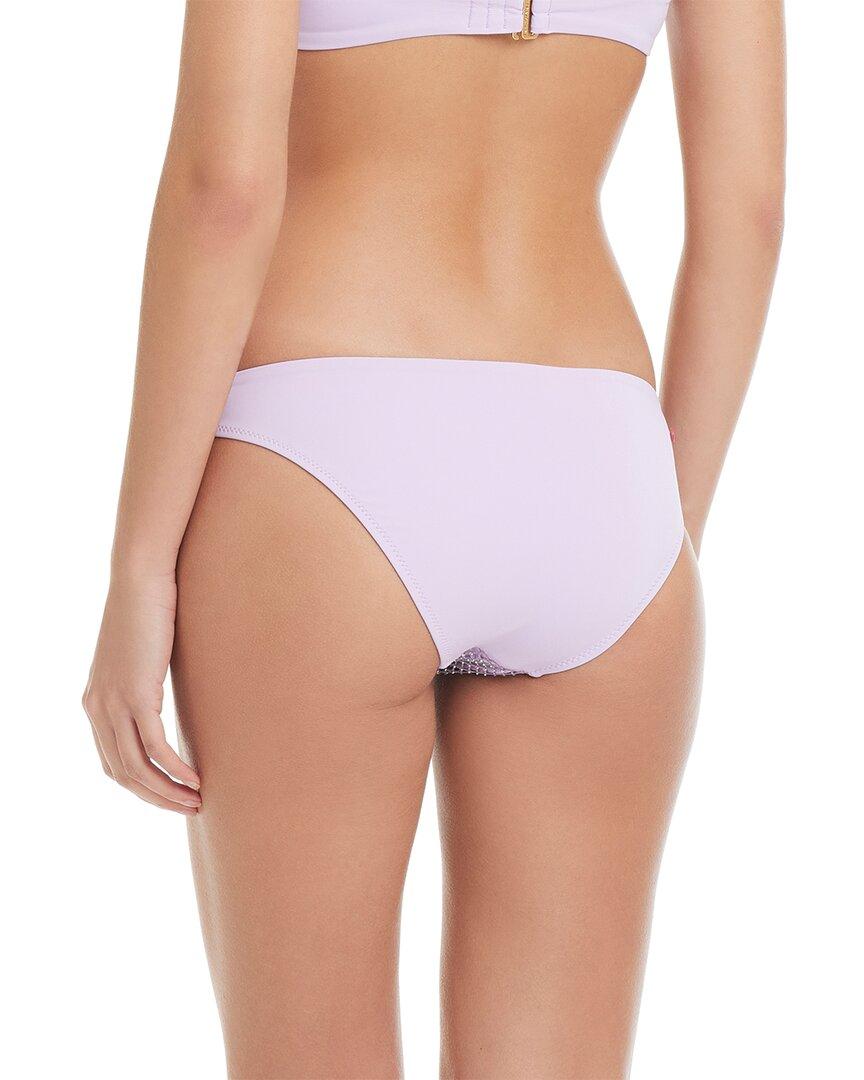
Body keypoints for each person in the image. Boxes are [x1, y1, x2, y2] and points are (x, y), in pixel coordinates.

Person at [82, 1, 785, 1075]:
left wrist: (139, 568)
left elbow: (225, 190)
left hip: (326, 454)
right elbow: (750, 210)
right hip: (598, 457)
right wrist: (653, 533)